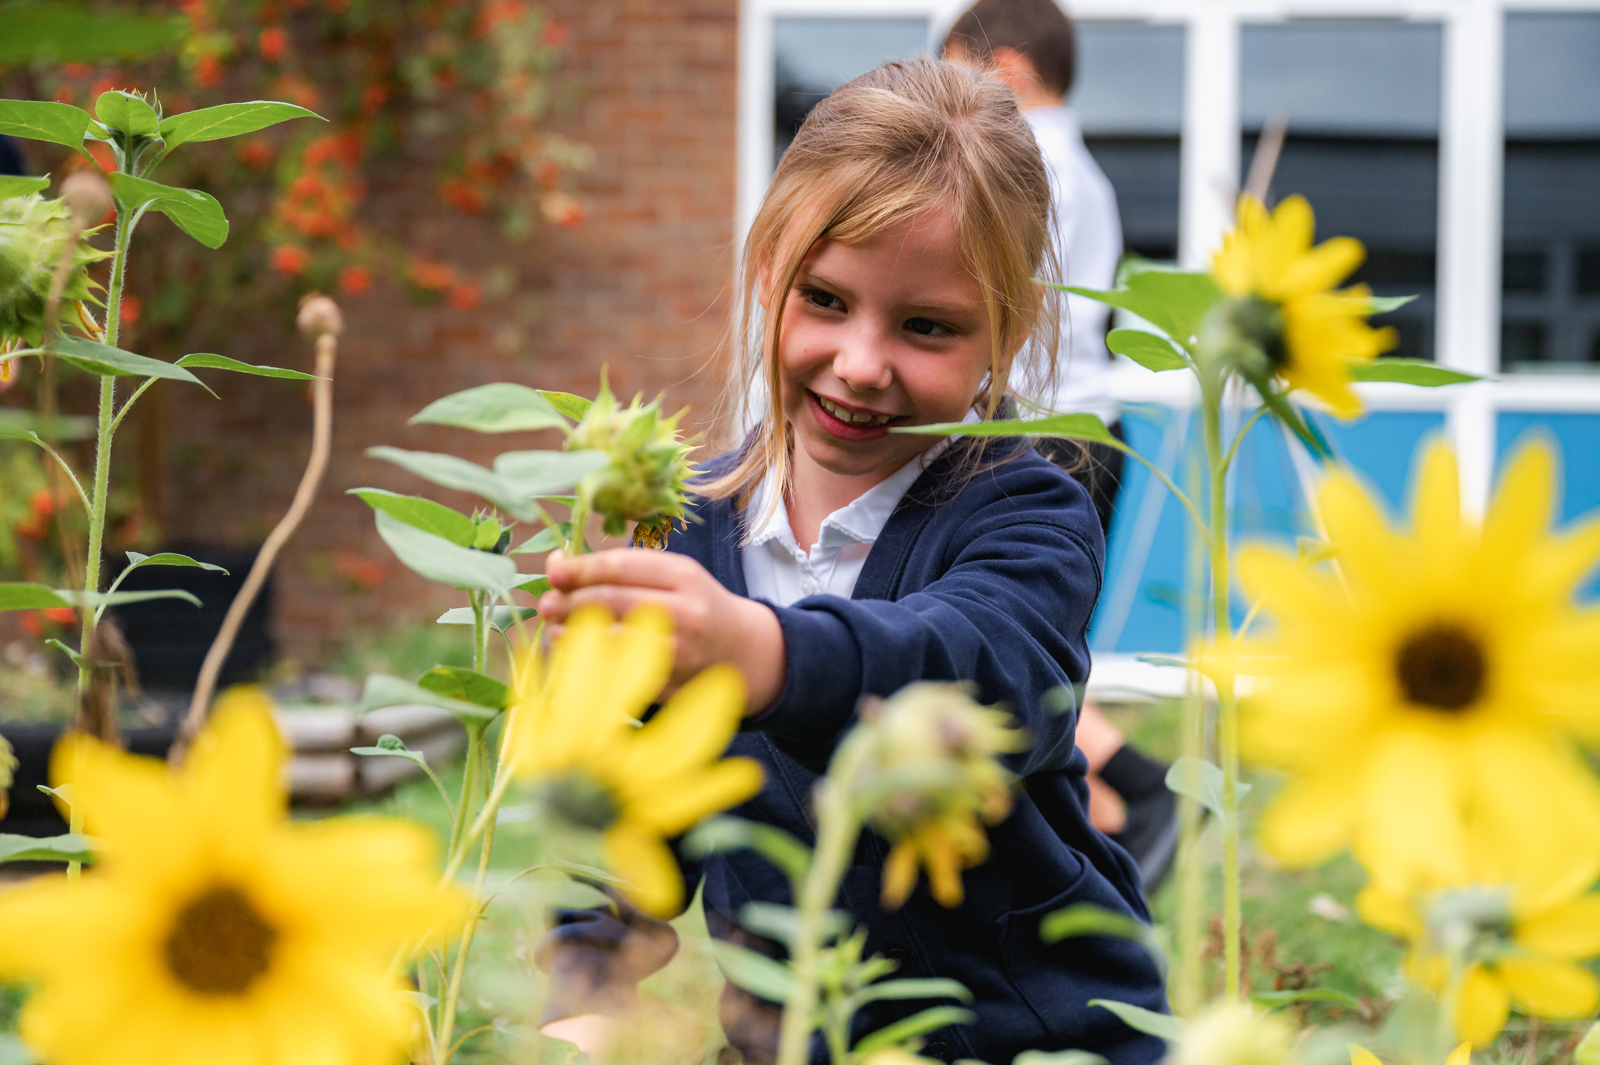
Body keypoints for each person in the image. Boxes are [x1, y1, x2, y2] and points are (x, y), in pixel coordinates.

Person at [533, 58, 1168, 1065]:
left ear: (1006, 332)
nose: (862, 362)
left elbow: (981, 670)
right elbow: (625, 788)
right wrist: (588, 989)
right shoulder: (683, 522)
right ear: (763, 271)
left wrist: (759, 651)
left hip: (1034, 1038)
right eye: (824, 299)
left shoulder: (1025, 510)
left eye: (926, 327)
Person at [943, 0, 1179, 891]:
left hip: (1041, 430)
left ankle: (1137, 793)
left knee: (1004, 662)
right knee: (1024, 659)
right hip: (1082, 430)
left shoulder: (1026, 162)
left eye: (954, 71)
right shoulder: (1088, 170)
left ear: (1003, 67)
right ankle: (1100, 835)